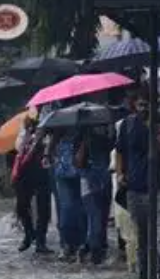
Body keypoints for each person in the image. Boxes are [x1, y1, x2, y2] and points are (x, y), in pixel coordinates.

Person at [115, 91, 153, 279]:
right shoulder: (127, 125)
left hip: (156, 188)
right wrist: (120, 174)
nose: (144, 109)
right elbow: (120, 151)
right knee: (143, 238)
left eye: (147, 105)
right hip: (136, 189)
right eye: (140, 105)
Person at [12, 113, 53, 253]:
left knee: (43, 208)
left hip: (42, 173)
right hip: (24, 173)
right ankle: (29, 234)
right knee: (21, 206)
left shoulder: (49, 129)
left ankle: (41, 241)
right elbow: (18, 148)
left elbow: (49, 149)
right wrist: (28, 134)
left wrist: (42, 140)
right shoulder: (25, 132)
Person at [76, 122, 114, 264]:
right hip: (91, 184)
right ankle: (94, 252)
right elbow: (79, 162)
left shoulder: (107, 140)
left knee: (99, 219)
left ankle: (90, 248)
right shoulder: (83, 139)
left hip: (102, 183)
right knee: (96, 219)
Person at [49, 125, 85, 261]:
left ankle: (77, 244)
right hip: (64, 172)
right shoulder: (58, 123)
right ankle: (68, 244)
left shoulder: (83, 124)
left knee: (77, 209)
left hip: (80, 171)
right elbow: (51, 145)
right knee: (68, 208)